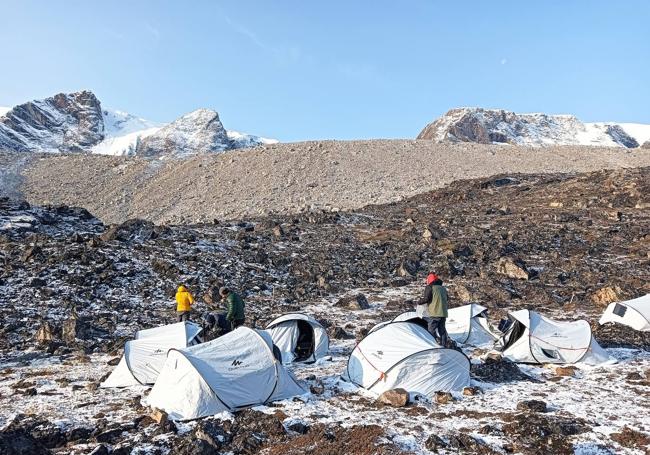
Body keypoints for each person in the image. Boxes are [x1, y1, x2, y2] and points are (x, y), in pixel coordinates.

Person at [416, 273, 449, 346]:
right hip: (443, 313)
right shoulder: (443, 288)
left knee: (430, 330)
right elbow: (447, 298)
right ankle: (444, 346)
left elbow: (426, 299)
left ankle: (433, 345)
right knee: (442, 331)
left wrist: (419, 302)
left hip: (435, 313)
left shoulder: (429, 287)